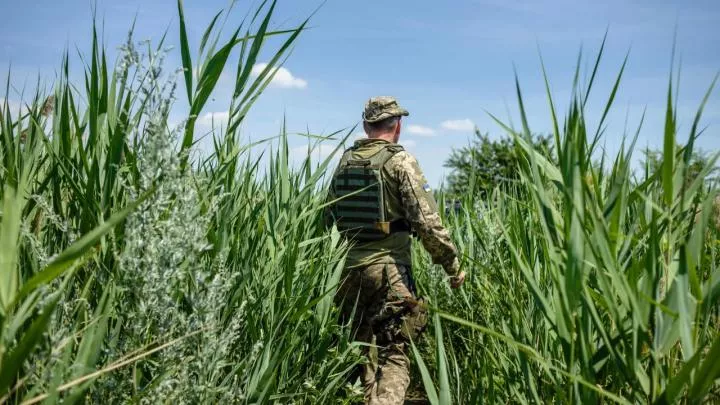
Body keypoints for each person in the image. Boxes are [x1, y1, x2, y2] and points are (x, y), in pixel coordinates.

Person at [327, 96, 465, 405]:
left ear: (366, 125)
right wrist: (452, 266)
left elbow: (327, 215)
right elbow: (427, 223)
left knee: (359, 352)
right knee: (397, 352)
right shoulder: (400, 160)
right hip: (389, 271)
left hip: (346, 272)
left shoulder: (344, 161)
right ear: (398, 126)